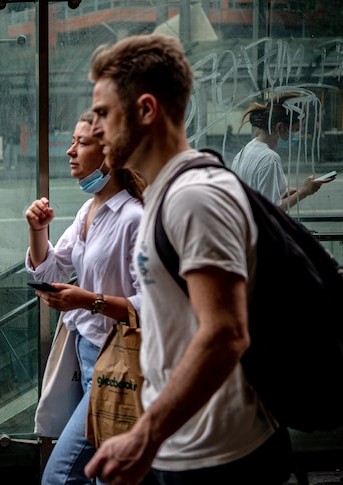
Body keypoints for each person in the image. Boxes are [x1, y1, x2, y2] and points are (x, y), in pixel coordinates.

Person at [85, 34, 291, 484]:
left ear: (145, 110)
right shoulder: (164, 192)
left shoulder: (194, 198)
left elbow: (225, 333)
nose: (94, 128)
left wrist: (146, 434)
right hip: (185, 444)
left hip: (223, 455)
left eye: (103, 113)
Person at [26, 111, 144, 485]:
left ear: (109, 153)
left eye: (81, 143)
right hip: (84, 354)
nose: (69, 152)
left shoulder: (134, 218)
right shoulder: (87, 211)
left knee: (61, 475)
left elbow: (153, 306)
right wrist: (38, 231)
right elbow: (48, 272)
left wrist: (86, 301)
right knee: (102, 475)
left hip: (117, 364)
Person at [231, 94, 333, 210]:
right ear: (280, 127)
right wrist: (305, 191)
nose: (297, 134)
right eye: (296, 129)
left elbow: (256, 195)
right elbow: (272, 210)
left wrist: (280, 193)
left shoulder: (247, 149)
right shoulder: (269, 158)